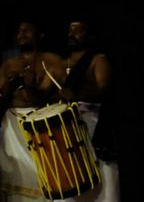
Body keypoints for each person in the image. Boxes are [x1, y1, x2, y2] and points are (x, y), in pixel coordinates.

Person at [42, 19, 120, 201]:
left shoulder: (98, 60)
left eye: (78, 30)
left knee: (102, 182)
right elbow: (44, 96)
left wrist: (76, 93)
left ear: (90, 35)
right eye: (70, 30)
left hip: (93, 126)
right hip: (65, 130)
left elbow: (104, 88)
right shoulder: (58, 65)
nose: (72, 34)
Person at [0, 20, 61, 201]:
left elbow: (51, 97)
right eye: (18, 31)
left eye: (26, 31)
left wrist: (30, 86)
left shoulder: (52, 60)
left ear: (40, 35)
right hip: (14, 128)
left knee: (46, 180)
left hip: (43, 126)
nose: (21, 34)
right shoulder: (9, 64)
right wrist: (10, 84)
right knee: (17, 187)